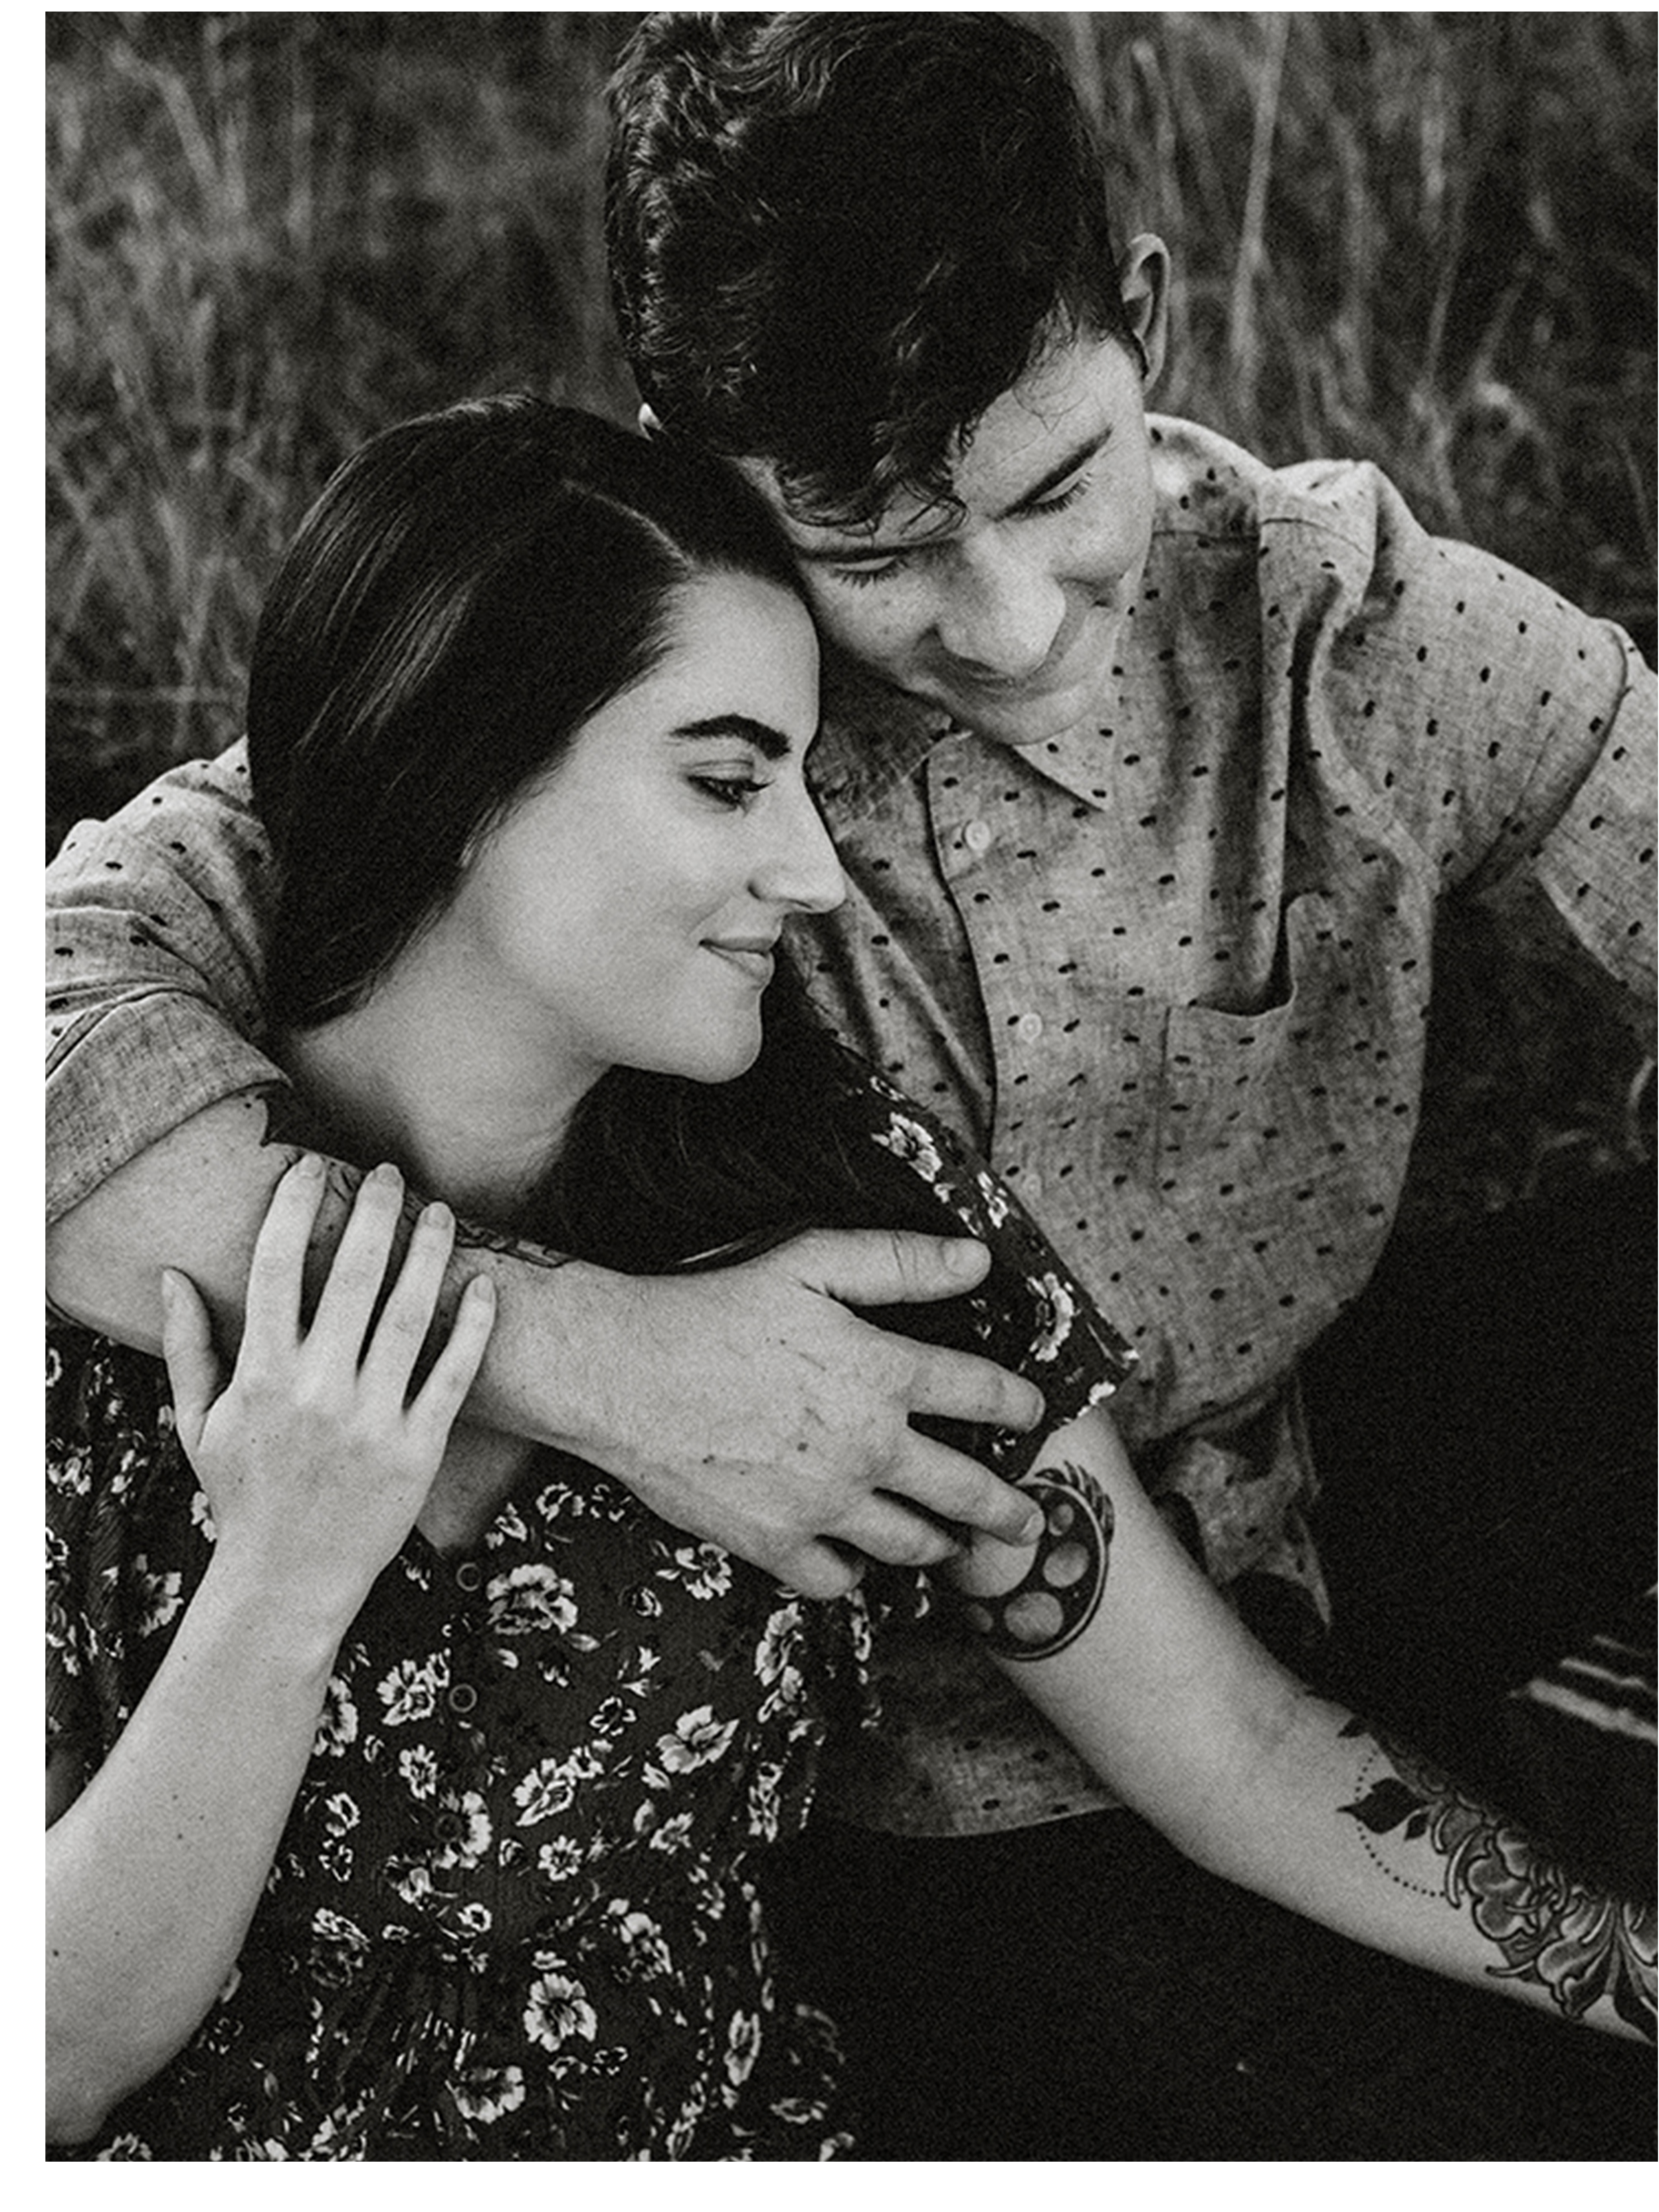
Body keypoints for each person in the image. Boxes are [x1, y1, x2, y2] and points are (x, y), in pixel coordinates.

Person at [45, 8, 1659, 2157]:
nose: (1002, 620)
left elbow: (1234, 1745)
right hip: (944, 1771)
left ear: (1149, 325)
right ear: (697, 463)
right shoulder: (567, 701)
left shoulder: (1339, 628)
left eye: (1058, 484)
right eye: (877, 545)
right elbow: (47, 1024)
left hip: (1285, 1528)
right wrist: (602, 1359)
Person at [47, 395, 1137, 2159]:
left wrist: (1593, 1947)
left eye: (800, 778)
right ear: (462, 783)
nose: (815, 874)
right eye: (726, 781)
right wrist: (284, 1581)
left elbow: (1235, 1747)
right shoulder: (95, 1317)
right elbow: (47, 2065)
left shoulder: (831, 1241)